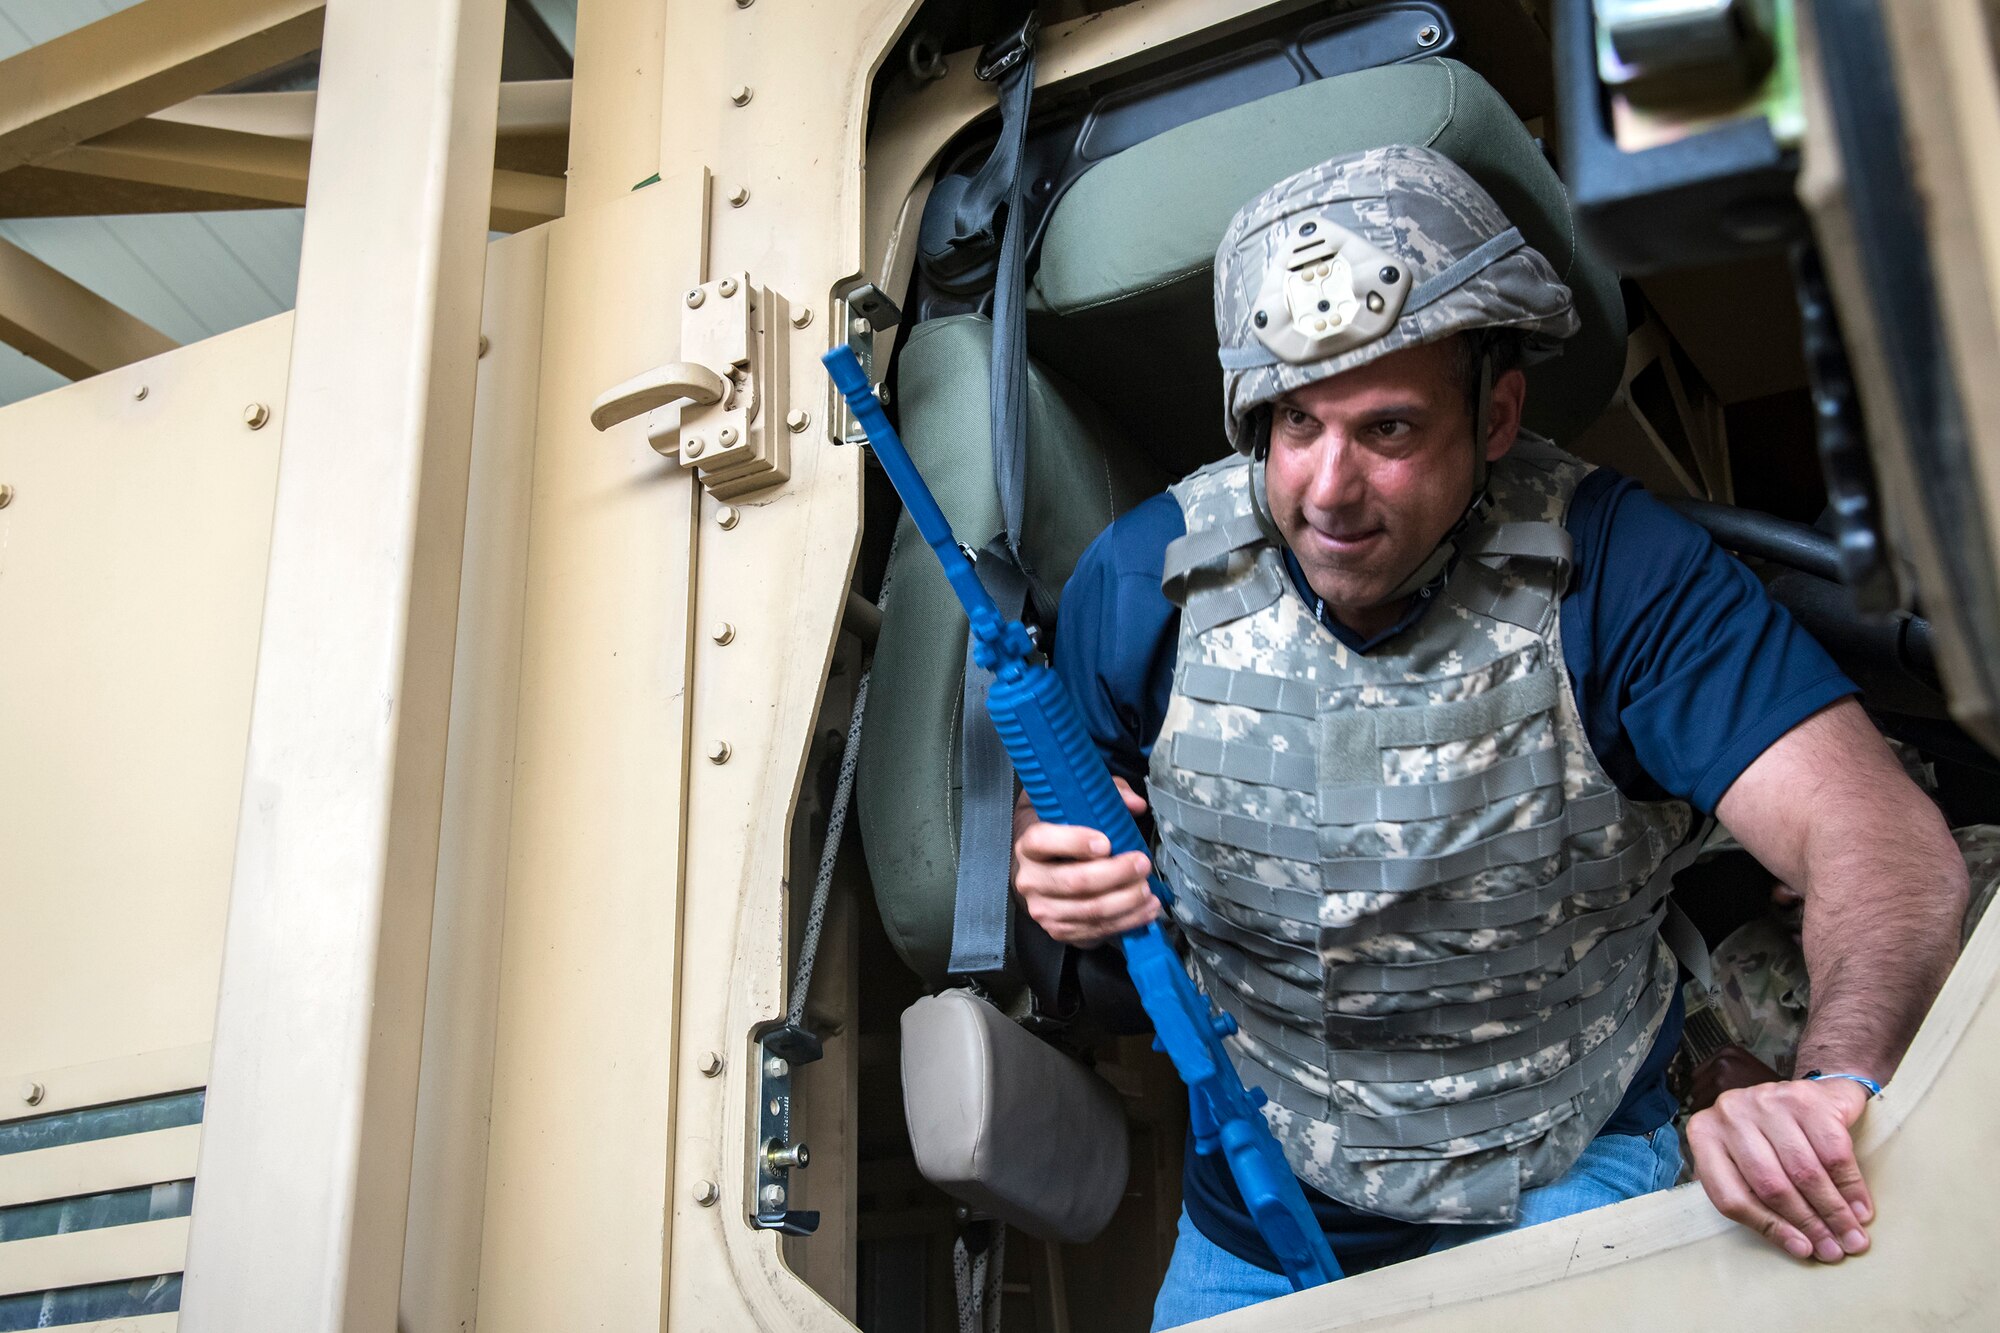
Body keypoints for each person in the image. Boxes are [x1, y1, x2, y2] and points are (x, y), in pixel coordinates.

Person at [1005, 145, 1969, 1328]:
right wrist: (1055, 860)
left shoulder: (1617, 572)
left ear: (1496, 413)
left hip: (1565, 1179)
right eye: (1293, 423)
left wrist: (1828, 1086)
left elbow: (1871, 833)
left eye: (1389, 429)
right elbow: (1069, 794)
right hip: (1256, 1209)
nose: (1325, 489)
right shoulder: (1140, 578)